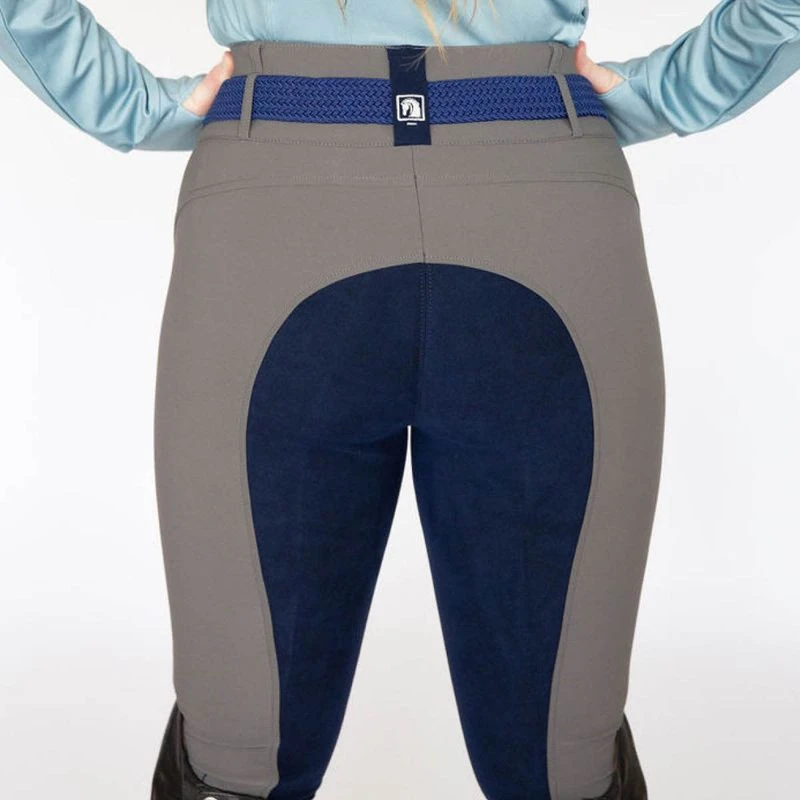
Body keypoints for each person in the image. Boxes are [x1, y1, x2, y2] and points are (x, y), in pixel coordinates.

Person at [2, 2, 798, 799]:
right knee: (563, 764)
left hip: (275, 192)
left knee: (238, 756)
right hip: (541, 181)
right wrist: (653, 94)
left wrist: (137, 107)